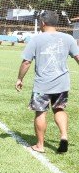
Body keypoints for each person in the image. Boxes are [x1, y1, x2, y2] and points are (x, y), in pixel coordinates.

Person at [15, 10, 79, 153]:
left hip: (42, 84)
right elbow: (78, 57)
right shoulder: (68, 38)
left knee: (40, 112)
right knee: (59, 109)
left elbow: (26, 62)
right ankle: (64, 136)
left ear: (43, 23)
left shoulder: (36, 40)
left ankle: (40, 145)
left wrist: (20, 79)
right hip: (62, 83)